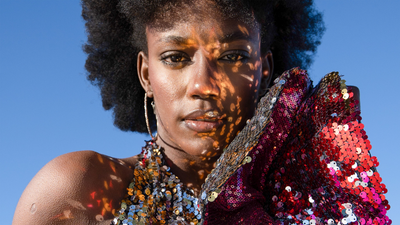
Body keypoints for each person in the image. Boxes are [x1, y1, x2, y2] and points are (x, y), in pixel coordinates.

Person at [13, 0, 391, 224]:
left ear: (263, 70)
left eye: (232, 56)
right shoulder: (84, 189)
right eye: (176, 57)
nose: (203, 85)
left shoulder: (306, 199)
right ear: (146, 73)